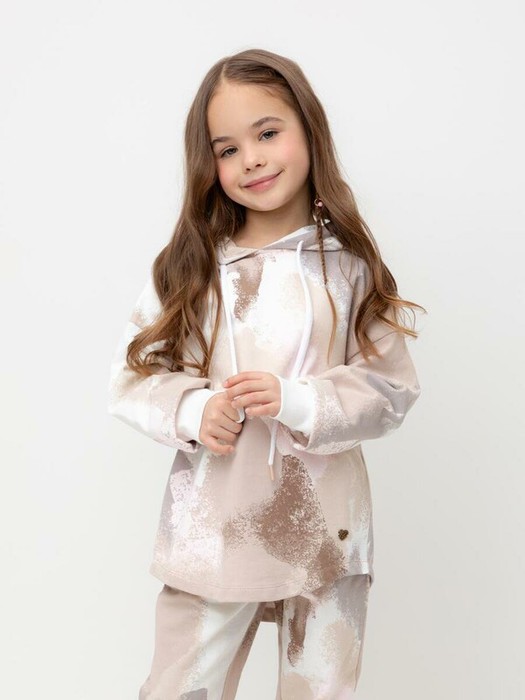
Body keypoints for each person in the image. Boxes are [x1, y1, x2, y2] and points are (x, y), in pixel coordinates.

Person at [107, 47, 424, 700]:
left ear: (308, 128)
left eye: (267, 133)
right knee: (179, 687)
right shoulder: (193, 267)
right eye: (227, 149)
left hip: (327, 534)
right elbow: (131, 379)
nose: (250, 159)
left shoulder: (350, 269)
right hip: (213, 530)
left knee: (319, 691)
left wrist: (298, 400)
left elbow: (391, 388)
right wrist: (194, 409)